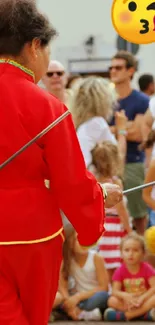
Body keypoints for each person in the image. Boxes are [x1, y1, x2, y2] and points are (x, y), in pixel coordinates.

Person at [0, 1, 123, 325]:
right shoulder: (47, 107)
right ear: (34, 46)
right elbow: (70, 182)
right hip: (32, 235)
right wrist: (98, 200)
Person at [109, 50, 150, 235]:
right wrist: (124, 127)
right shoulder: (107, 99)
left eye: (118, 67)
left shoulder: (141, 100)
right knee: (111, 214)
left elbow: (140, 134)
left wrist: (113, 129)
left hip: (132, 163)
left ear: (130, 71)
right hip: (108, 166)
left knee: (138, 215)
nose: (113, 71)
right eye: (111, 67)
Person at [91, 141, 132, 282]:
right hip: (114, 225)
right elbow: (121, 210)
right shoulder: (115, 182)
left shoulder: (93, 180)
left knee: (105, 260)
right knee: (116, 260)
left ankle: (108, 290)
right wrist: (129, 230)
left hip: (100, 225)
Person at [70, 76, 127, 170]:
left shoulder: (85, 124)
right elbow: (118, 159)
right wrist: (121, 130)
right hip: (99, 182)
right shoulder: (96, 123)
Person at [59, 225, 109, 321]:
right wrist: (68, 301)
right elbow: (61, 285)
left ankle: (75, 312)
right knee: (60, 299)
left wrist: (78, 297)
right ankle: (80, 313)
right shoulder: (68, 260)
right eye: (78, 240)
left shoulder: (96, 257)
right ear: (70, 243)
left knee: (103, 296)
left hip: (92, 297)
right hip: (77, 300)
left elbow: (104, 287)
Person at [104, 233, 155, 321]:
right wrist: (126, 296)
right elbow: (115, 291)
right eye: (127, 250)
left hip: (144, 300)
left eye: (135, 250)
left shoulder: (147, 268)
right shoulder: (119, 270)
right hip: (128, 302)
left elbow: (154, 287)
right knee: (112, 300)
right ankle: (144, 315)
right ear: (121, 253)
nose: (131, 254)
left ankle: (128, 315)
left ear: (143, 254)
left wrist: (142, 298)